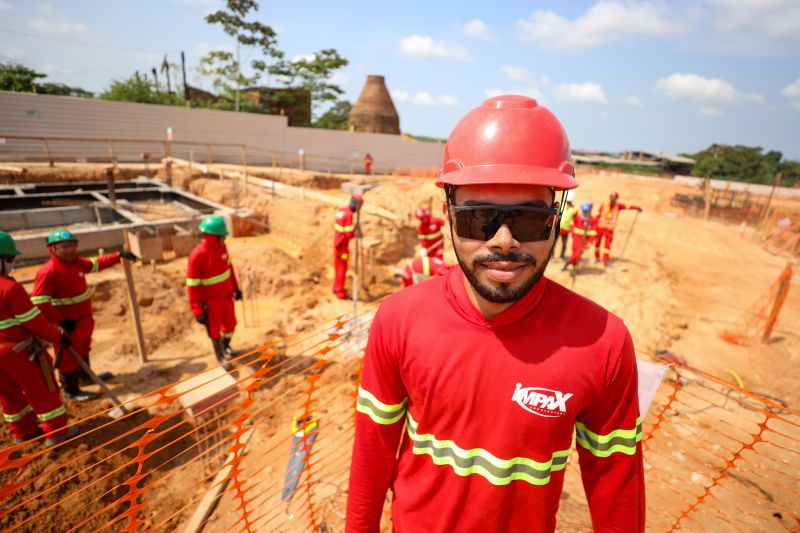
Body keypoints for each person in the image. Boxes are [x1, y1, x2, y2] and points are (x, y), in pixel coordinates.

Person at [347, 95, 644, 532]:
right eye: (480, 219)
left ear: (556, 219)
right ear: (449, 214)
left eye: (527, 220)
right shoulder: (398, 320)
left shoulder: (603, 343)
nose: (504, 240)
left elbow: (617, 489)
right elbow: (372, 452)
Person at [32, 229, 137, 402]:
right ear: (52, 249)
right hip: (67, 325)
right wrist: (61, 321)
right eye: (64, 247)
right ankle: (70, 390)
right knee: (67, 357)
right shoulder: (49, 272)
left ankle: (84, 377)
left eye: (73, 246)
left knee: (83, 348)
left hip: (83, 320)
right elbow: (39, 303)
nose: (70, 250)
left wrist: (119, 255)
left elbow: (95, 264)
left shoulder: (77, 263)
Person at [0, 231, 76, 447]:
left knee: (9, 395)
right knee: (44, 389)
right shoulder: (10, 288)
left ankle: (23, 431)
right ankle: (57, 431)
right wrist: (57, 336)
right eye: (11, 259)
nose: (13, 265)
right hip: (18, 352)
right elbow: (34, 322)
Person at [186, 215, 242, 366]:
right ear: (213, 237)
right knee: (214, 331)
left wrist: (236, 288)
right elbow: (193, 286)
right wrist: (197, 310)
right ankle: (220, 356)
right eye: (222, 236)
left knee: (231, 325)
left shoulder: (222, 248)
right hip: (211, 303)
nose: (225, 239)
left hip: (227, 297)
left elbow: (228, 268)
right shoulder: (196, 256)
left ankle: (226, 345)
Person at [595, 192, 643, 266]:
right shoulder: (603, 205)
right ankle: (597, 257)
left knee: (607, 246)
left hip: (609, 230)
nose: (612, 199)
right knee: (597, 243)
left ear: (616, 199)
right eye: (611, 197)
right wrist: (594, 226)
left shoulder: (618, 206)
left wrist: (637, 208)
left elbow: (628, 206)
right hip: (600, 228)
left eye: (614, 197)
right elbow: (597, 215)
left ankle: (605, 260)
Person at [333, 195, 363, 300]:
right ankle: (340, 292)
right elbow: (349, 234)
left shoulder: (342, 210)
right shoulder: (349, 215)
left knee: (337, 266)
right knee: (342, 267)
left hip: (337, 243)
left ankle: (336, 287)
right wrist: (356, 230)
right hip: (343, 246)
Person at [563, 201, 599, 271]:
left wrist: (589, 243)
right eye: (583, 211)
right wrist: (573, 233)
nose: (584, 212)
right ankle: (570, 266)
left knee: (577, 256)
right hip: (576, 240)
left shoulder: (593, 220)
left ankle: (571, 267)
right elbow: (572, 224)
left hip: (584, 242)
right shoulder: (578, 217)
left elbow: (593, 234)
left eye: (586, 211)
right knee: (575, 255)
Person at [558, 190, 578, 260]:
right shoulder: (563, 204)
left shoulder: (575, 209)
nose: (568, 202)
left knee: (564, 244)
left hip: (566, 230)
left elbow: (575, 220)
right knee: (554, 242)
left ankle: (562, 256)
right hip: (558, 227)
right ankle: (552, 254)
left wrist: (573, 230)